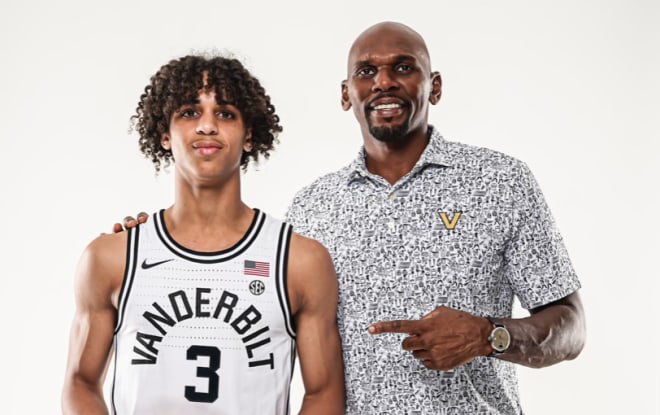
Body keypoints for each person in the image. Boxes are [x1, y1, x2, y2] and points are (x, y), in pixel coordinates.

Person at [118, 22, 586, 414]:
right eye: (367, 72)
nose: (384, 82)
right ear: (347, 94)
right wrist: (151, 243)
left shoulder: (500, 181)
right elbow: (234, 291)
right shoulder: (311, 208)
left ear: (434, 86)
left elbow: (571, 328)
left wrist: (490, 335)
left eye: (403, 67)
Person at [62, 54, 345, 415]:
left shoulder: (298, 260)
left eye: (225, 113)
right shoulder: (112, 256)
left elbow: (323, 393)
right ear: (164, 135)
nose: (207, 126)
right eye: (189, 112)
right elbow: (80, 382)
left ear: (249, 136)